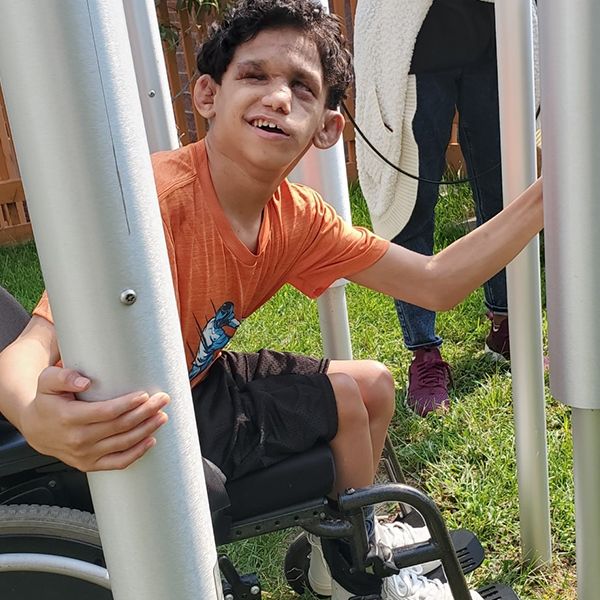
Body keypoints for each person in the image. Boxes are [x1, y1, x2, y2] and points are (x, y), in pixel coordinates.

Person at [0, 1, 542, 598]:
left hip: (195, 375)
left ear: (328, 129)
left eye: (302, 88)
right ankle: (352, 570)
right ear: (207, 94)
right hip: (141, 403)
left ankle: (341, 550)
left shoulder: (298, 219)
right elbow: (33, 343)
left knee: (376, 386)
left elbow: (436, 280)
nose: (278, 98)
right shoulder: (158, 200)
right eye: (255, 76)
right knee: (344, 398)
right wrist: (31, 413)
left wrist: (547, 195)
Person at [354, 0, 538, 417]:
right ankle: (424, 354)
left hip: (497, 43)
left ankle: (506, 325)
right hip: (416, 49)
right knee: (412, 206)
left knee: (506, 198)